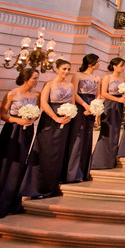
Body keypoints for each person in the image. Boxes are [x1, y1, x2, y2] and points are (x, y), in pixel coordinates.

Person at [0, 68, 40, 218]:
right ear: (26, 78)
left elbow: (37, 111)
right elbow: (2, 114)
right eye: (34, 78)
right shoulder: (12, 94)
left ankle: (14, 200)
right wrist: (17, 120)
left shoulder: (36, 95)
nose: (36, 81)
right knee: (6, 162)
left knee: (20, 163)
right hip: (12, 129)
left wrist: (32, 119)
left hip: (27, 130)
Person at [20, 59, 75, 199]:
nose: (66, 72)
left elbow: (72, 103)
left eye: (68, 69)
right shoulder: (49, 84)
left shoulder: (70, 85)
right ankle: (37, 186)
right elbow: (44, 103)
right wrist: (55, 118)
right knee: (45, 152)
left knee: (58, 153)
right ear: (57, 69)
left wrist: (69, 115)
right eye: (64, 68)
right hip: (49, 122)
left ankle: (52, 185)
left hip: (65, 121)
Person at [64, 53, 100, 183]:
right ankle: (72, 172)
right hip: (80, 106)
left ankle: (83, 171)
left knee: (87, 138)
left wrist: (95, 108)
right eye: (97, 62)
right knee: (77, 138)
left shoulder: (97, 77)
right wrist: (85, 105)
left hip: (91, 107)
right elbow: (73, 92)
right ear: (90, 63)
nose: (99, 64)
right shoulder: (78, 75)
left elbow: (98, 95)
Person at [90, 57, 125, 170]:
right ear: (114, 66)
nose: (123, 68)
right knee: (107, 131)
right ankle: (100, 160)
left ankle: (111, 159)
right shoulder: (107, 77)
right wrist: (118, 100)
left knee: (116, 131)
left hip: (119, 106)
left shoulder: (123, 78)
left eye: (123, 65)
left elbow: (124, 92)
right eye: (121, 65)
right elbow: (103, 93)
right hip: (110, 105)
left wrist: (124, 96)